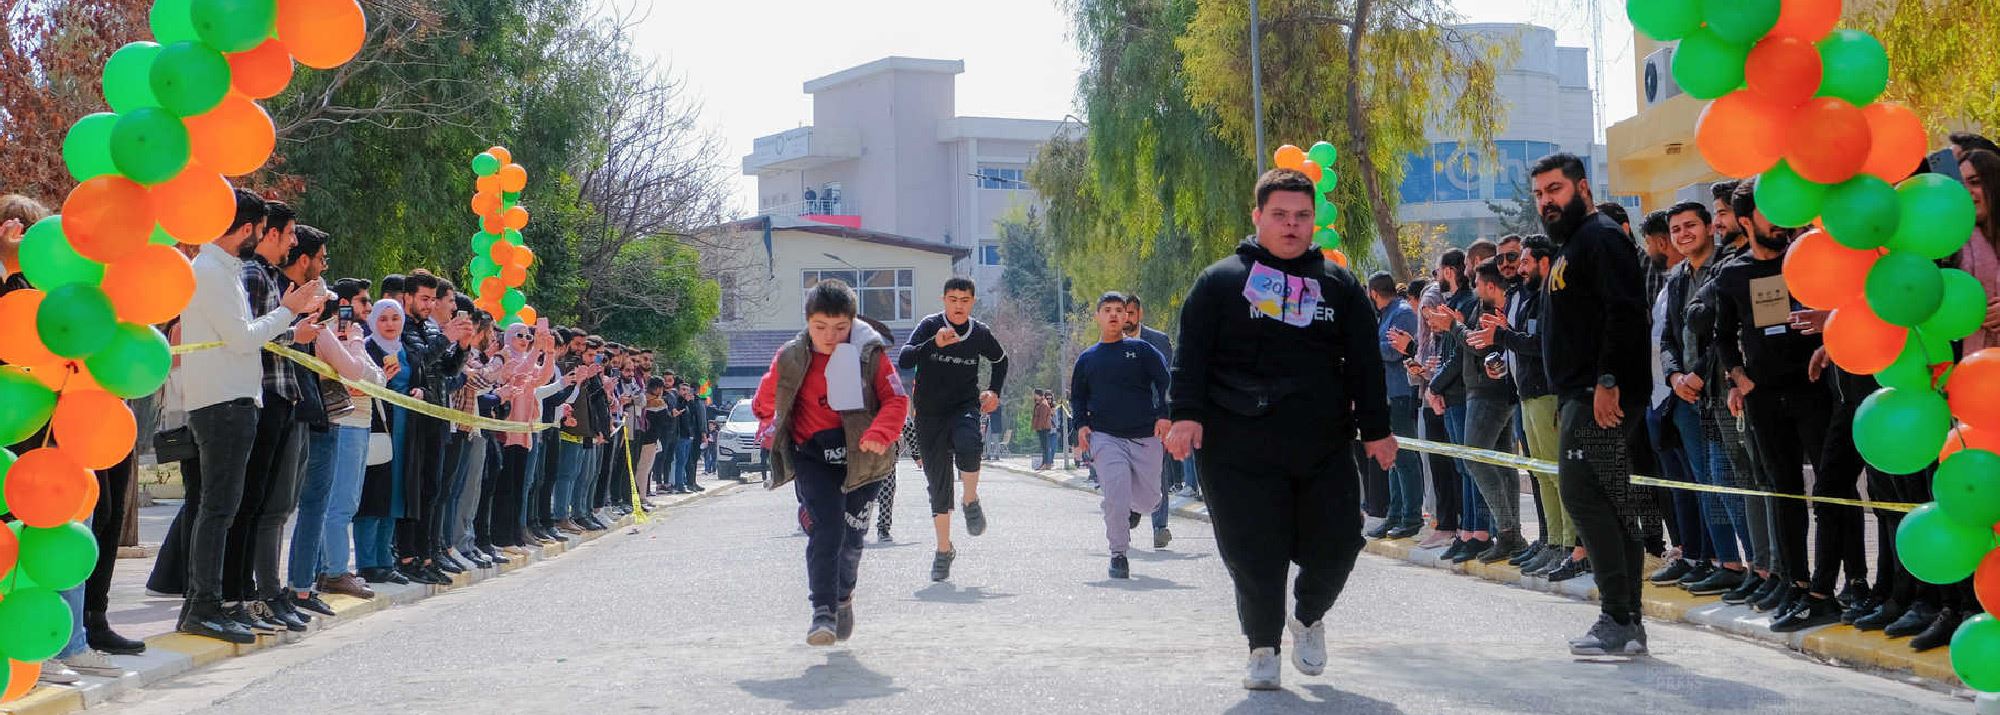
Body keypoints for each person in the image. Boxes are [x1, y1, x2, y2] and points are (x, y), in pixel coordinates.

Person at [1165, 168, 1395, 690]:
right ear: (1258, 217)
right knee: (1253, 554)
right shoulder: (1220, 281)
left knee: (1339, 544)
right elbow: (1191, 357)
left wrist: (1377, 430)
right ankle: (1262, 646)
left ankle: (1308, 617)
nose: (1291, 226)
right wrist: (1185, 415)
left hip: (1321, 442)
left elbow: (1365, 362)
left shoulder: (1338, 286)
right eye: (1280, 216)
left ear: (1314, 220)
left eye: (1302, 216)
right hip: (1236, 444)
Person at [174, 189, 325, 643]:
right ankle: (203, 605)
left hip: (236, 400)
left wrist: (287, 320)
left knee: (224, 507)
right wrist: (288, 312)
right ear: (245, 229)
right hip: (221, 403)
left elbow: (242, 338)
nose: (261, 238)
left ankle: (214, 602)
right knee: (217, 509)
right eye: (259, 230)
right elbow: (242, 339)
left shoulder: (226, 271)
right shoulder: (210, 272)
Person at [1528, 153, 1653, 656]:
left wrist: (1605, 383)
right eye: (1539, 194)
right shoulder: (1572, 244)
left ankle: (1616, 617)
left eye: (1554, 190)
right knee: (1612, 501)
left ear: (1582, 188)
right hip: (1579, 395)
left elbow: (1624, 314)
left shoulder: (1600, 237)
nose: (1546, 202)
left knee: (1584, 499)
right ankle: (1629, 623)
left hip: (1600, 394)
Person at [751, 279, 908, 645]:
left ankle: (843, 598)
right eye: (820, 327)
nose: (829, 336)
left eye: (840, 328)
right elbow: (768, 395)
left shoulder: (871, 354)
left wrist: (880, 433)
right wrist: (765, 411)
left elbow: (897, 401)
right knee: (829, 529)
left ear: (852, 323)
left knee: (852, 539)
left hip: (862, 458)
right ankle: (821, 612)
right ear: (807, 322)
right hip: (813, 455)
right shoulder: (791, 355)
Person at [898, 277, 1009, 582]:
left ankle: (970, 501)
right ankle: (943, 550)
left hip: (965, 406)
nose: (958, 306)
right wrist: (933, 344)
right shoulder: (930, 325)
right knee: (938, 485)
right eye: (952, 300)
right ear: (944, 300)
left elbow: (1001, 361)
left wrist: (994, 391)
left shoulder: (980, 333)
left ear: (972, 302)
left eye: (964, 300)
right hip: (929, 413)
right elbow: (904, 359)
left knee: (970, 444)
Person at [1071, 293, 1171, 579]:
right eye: (1107, 310)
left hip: (1145, 435)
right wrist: (1080, 426)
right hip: (1106, 436)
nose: (1114, 315)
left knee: (1151, 500)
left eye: (1119, 310)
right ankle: (1118, 554)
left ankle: (1132, 507)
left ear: (1127, 316)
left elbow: (1164, 381)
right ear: (1098, 316)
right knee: (1115, 491)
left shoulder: (1142, 351)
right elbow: (1078, 397)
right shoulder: (1087, 359)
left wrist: (1164, 414)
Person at [1444, 258, 1526, 563]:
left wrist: (1453, 326)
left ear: (1489, 284)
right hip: (1491, 392)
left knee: (1476, 458)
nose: (1474, 285)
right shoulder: (1485, 305)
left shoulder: (1494, 307)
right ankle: (1511, 534)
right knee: (1502, 464)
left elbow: (1478, 344)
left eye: (1477, 280)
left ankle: (1507, 531)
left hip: (1490, 396)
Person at [1364, 272, 1425, 541]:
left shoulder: (1401, 313)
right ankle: (1394, 514)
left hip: (1401, 393)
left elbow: (1394, 350)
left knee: (1405, 459)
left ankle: (1411, 517)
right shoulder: (1388, 313)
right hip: (1387, 394)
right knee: (1392, 458)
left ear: (1373, 293)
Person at [1122, 294, 1177, 548]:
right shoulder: (1110, 342)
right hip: (1121, 421)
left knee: (1158, 471)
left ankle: (1160, 527)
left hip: (1154, 419)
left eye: (1131, 313)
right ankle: (1128, 519)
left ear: (1140, 313)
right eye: (1124, 313)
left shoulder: (1158, 341)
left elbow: (1167, 382)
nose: (1127, 318)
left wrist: (1166, 415)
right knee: (1124, 472)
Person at [1032, 389, 1056, 470]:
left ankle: (1047, 463)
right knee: (1044, 447)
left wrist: (1039, 427)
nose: (1034, 396)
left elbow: (1042, 418)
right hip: (1041, 428)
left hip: (1044, 428)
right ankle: (1044, 463)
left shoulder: (1043, 404)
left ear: (1038, 395)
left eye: (1035, 394)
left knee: (1045, 447)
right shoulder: (1039, 403)